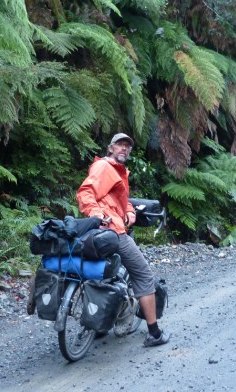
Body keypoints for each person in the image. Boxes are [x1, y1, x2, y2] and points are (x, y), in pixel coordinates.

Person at [76, 133, 170, 347]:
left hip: (110, 227)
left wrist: (129, 211)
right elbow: (85, 193)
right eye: (120, 144)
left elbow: (119, 200)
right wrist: (98, 215)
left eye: (127, 146)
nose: (124, 149)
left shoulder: (119, 171)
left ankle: (99, 324)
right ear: (110, 148)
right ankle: (154, 333)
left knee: (108, 276)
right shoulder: (105, 167)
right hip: (113, 231)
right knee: (144, 275)